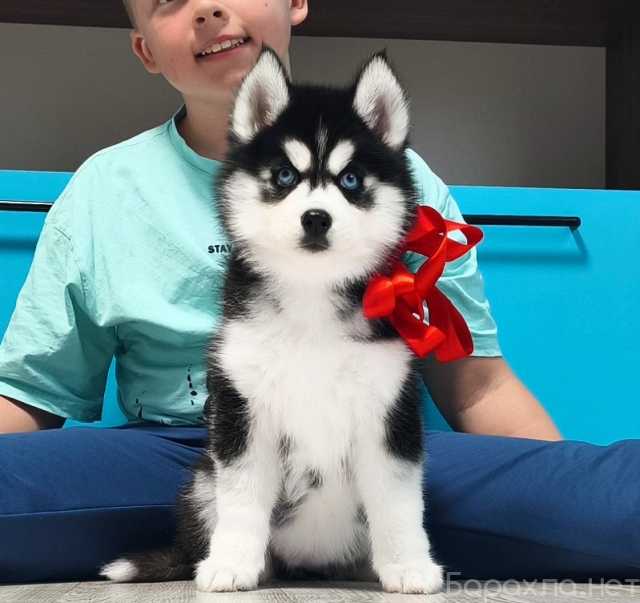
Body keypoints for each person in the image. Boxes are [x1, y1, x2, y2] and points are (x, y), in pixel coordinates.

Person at [1, 0, 637, 587]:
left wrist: (564, 492)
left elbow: (480, 388)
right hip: (171, 451)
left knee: (609, 500)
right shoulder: (105, 188)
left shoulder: (400, 182)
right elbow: (29, 392)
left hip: (374, 452)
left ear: (296, 2)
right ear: (143, 46)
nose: (210, 7)